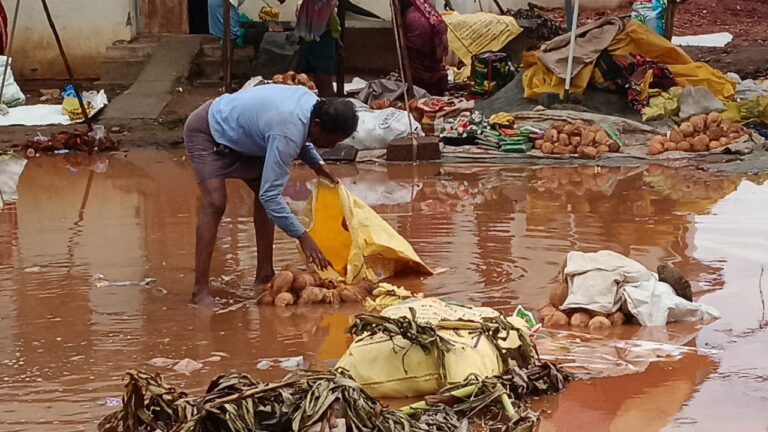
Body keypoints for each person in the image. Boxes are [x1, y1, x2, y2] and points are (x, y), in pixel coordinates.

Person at [183, 84, 359, 308]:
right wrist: (303, 237)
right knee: (215, 203)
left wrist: (317, 165)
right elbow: (271, 196)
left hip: (247, 139)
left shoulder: (311, 106)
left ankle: (264, 274)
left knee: (262, 192)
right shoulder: (287, 131)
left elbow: (303, 136)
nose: (333, 146)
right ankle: (199, 291)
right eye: (332, 139)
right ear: (317, 124)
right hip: (208, 131)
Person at [292, 0, 341, 97]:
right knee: (325, 77)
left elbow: (299, 18)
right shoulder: (327, 4)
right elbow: (334, 25)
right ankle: (327, 102)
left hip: (307, 40)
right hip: (323, 40)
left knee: (308, 77)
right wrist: (337, 40)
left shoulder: (303, 3)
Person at [400, 0, 449, 96]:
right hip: (428, 29)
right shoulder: (423, 8)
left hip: (423, 33)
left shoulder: (414, 15)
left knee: (420, 66)